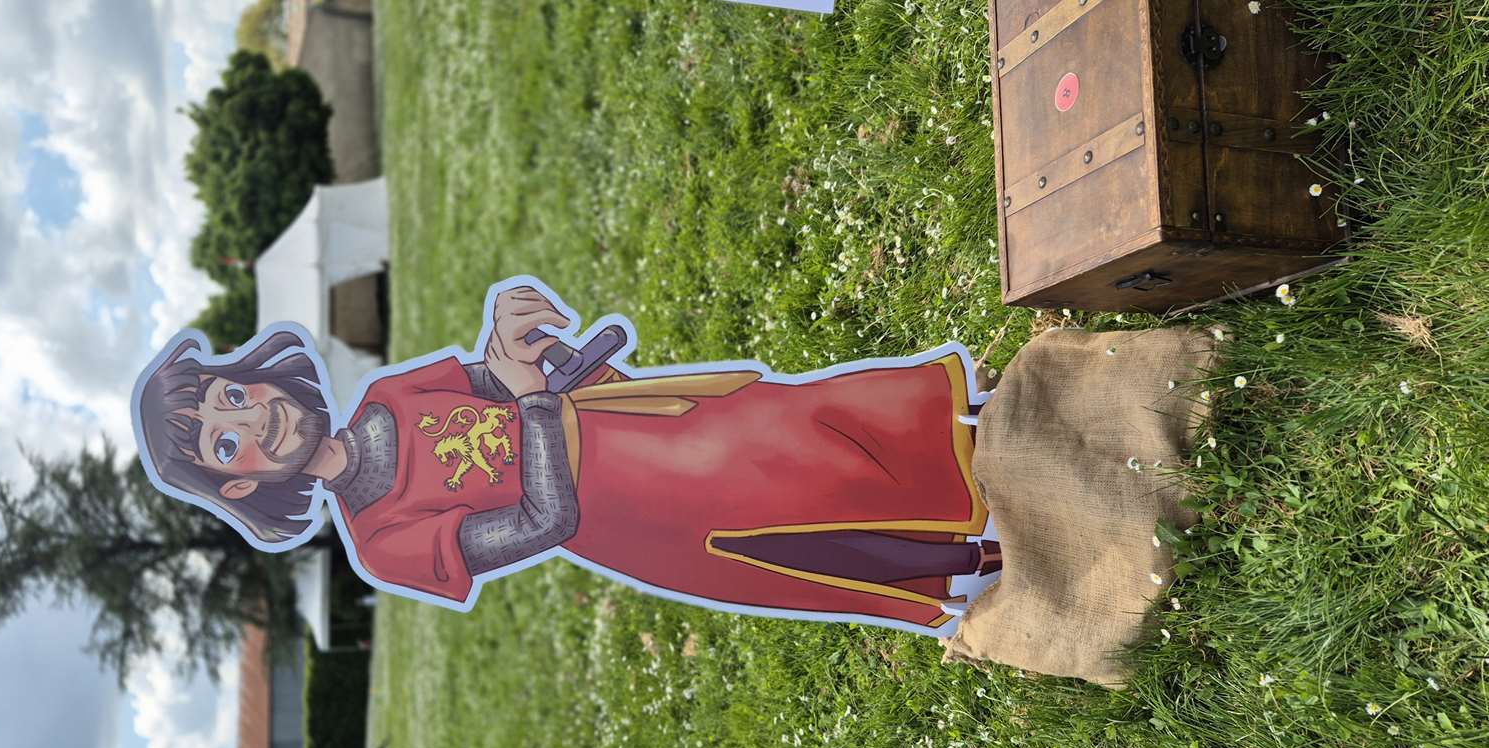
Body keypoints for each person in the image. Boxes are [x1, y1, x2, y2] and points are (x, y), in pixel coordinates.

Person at [133, 278, 1000, 636]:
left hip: (637, 422)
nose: (253, 419)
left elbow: (497, 375)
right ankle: (977, 559)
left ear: (256, 376)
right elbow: (545, 521)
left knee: (789, 421)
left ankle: (976, 434)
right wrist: (535, 400)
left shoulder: (388, 395)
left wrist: (520, 344)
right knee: (795, 519)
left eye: (233, 395)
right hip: (638, 512)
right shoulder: (382, 539)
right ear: (238, 483)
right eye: (224, 440)